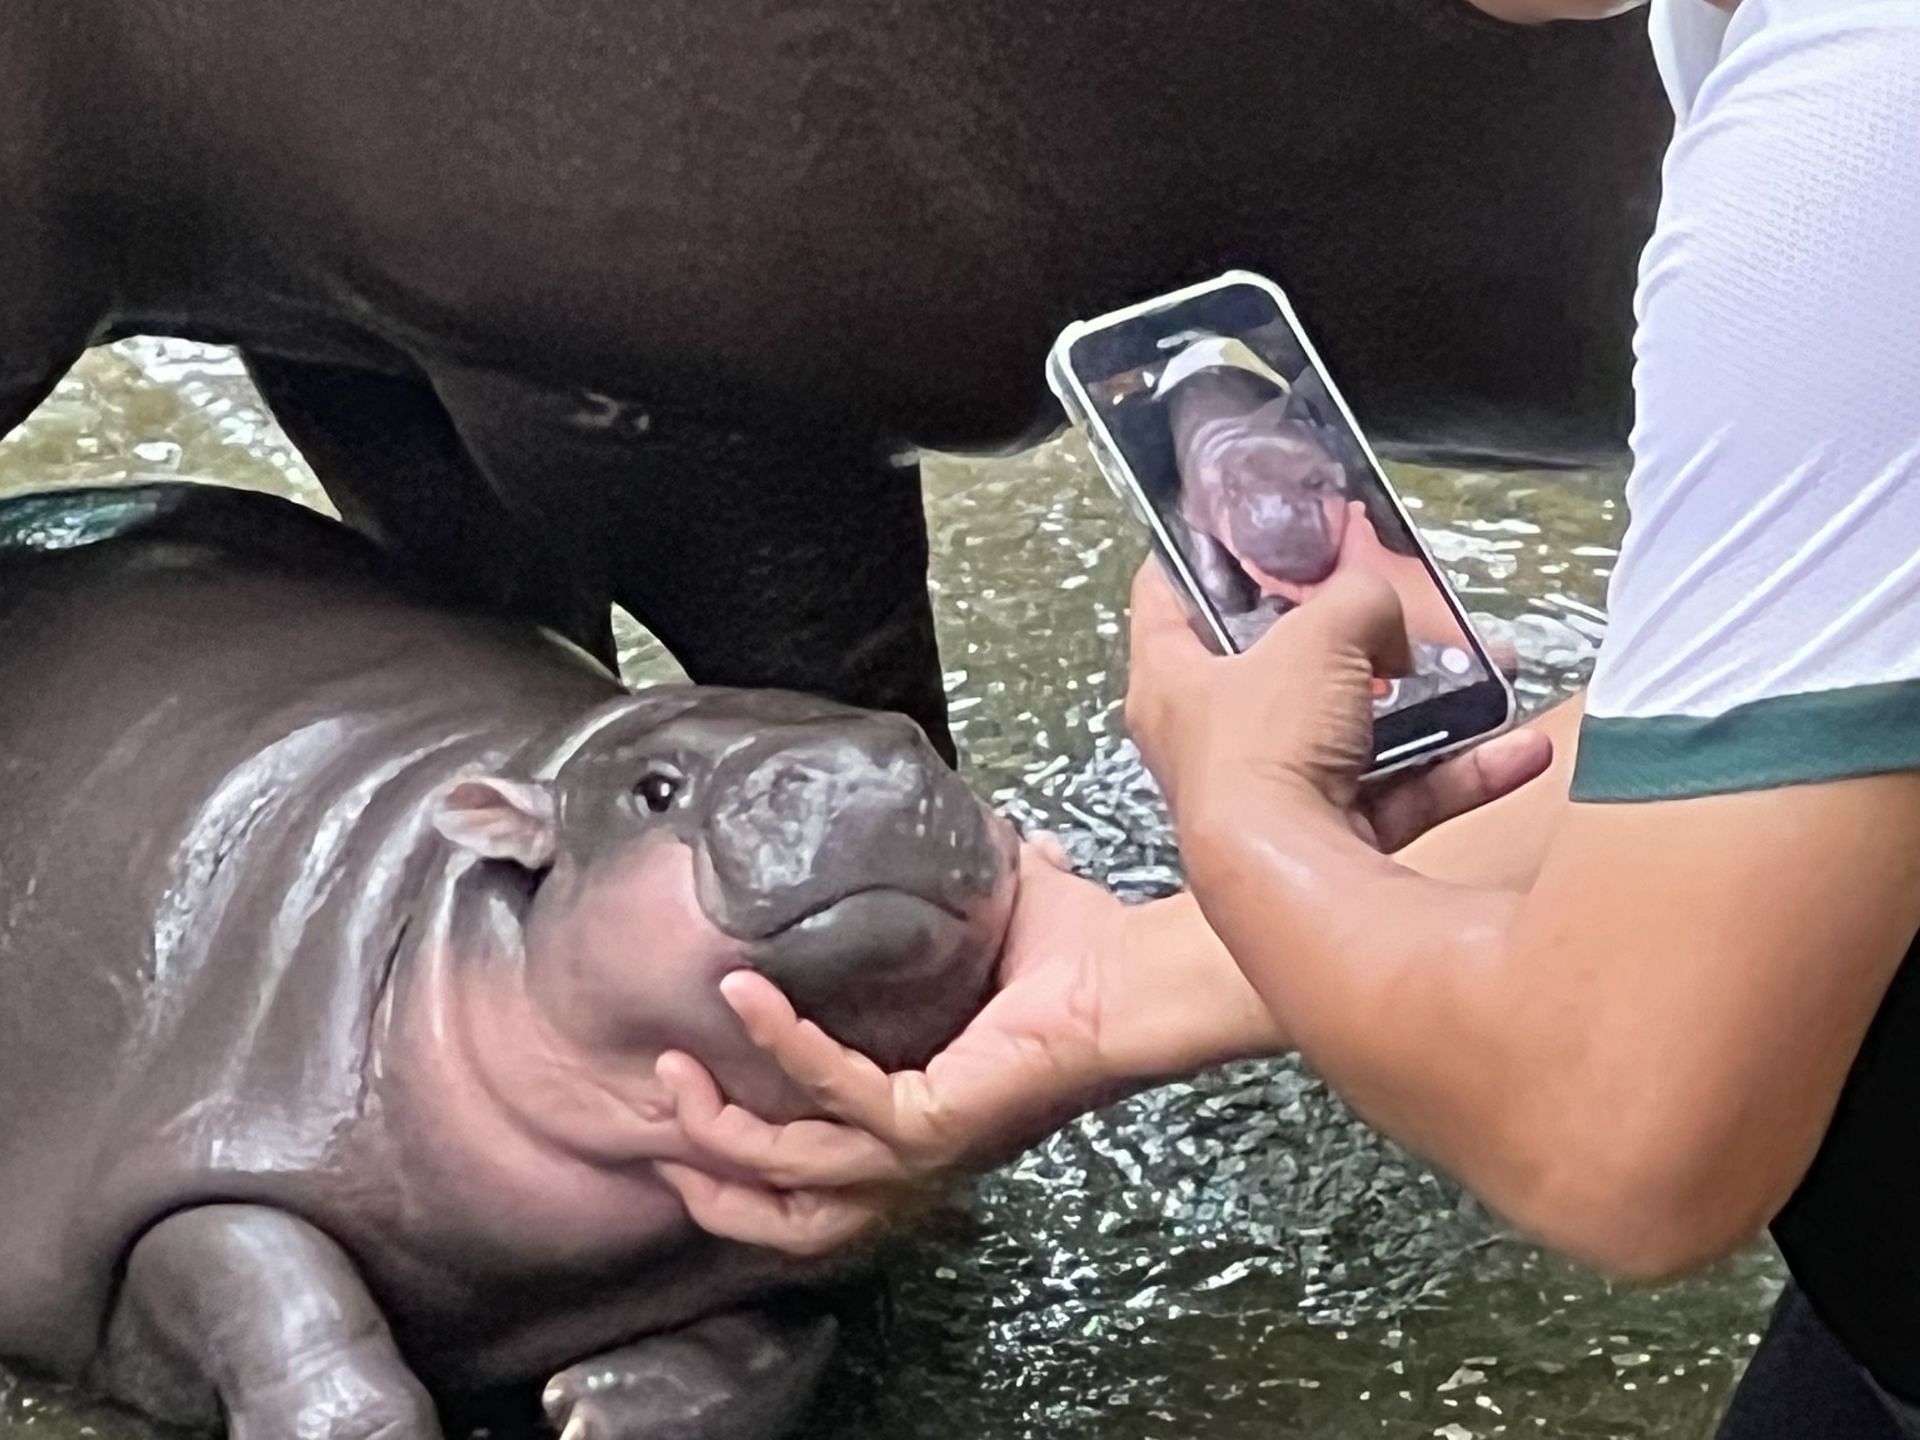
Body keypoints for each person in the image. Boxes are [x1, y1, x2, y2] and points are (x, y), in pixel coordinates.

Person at [649, 0, 1920, 1433]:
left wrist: (1240, 807)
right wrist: (1119, 984)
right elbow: (1778, 797)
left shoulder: (1858, 127)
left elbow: (1625, 1134)